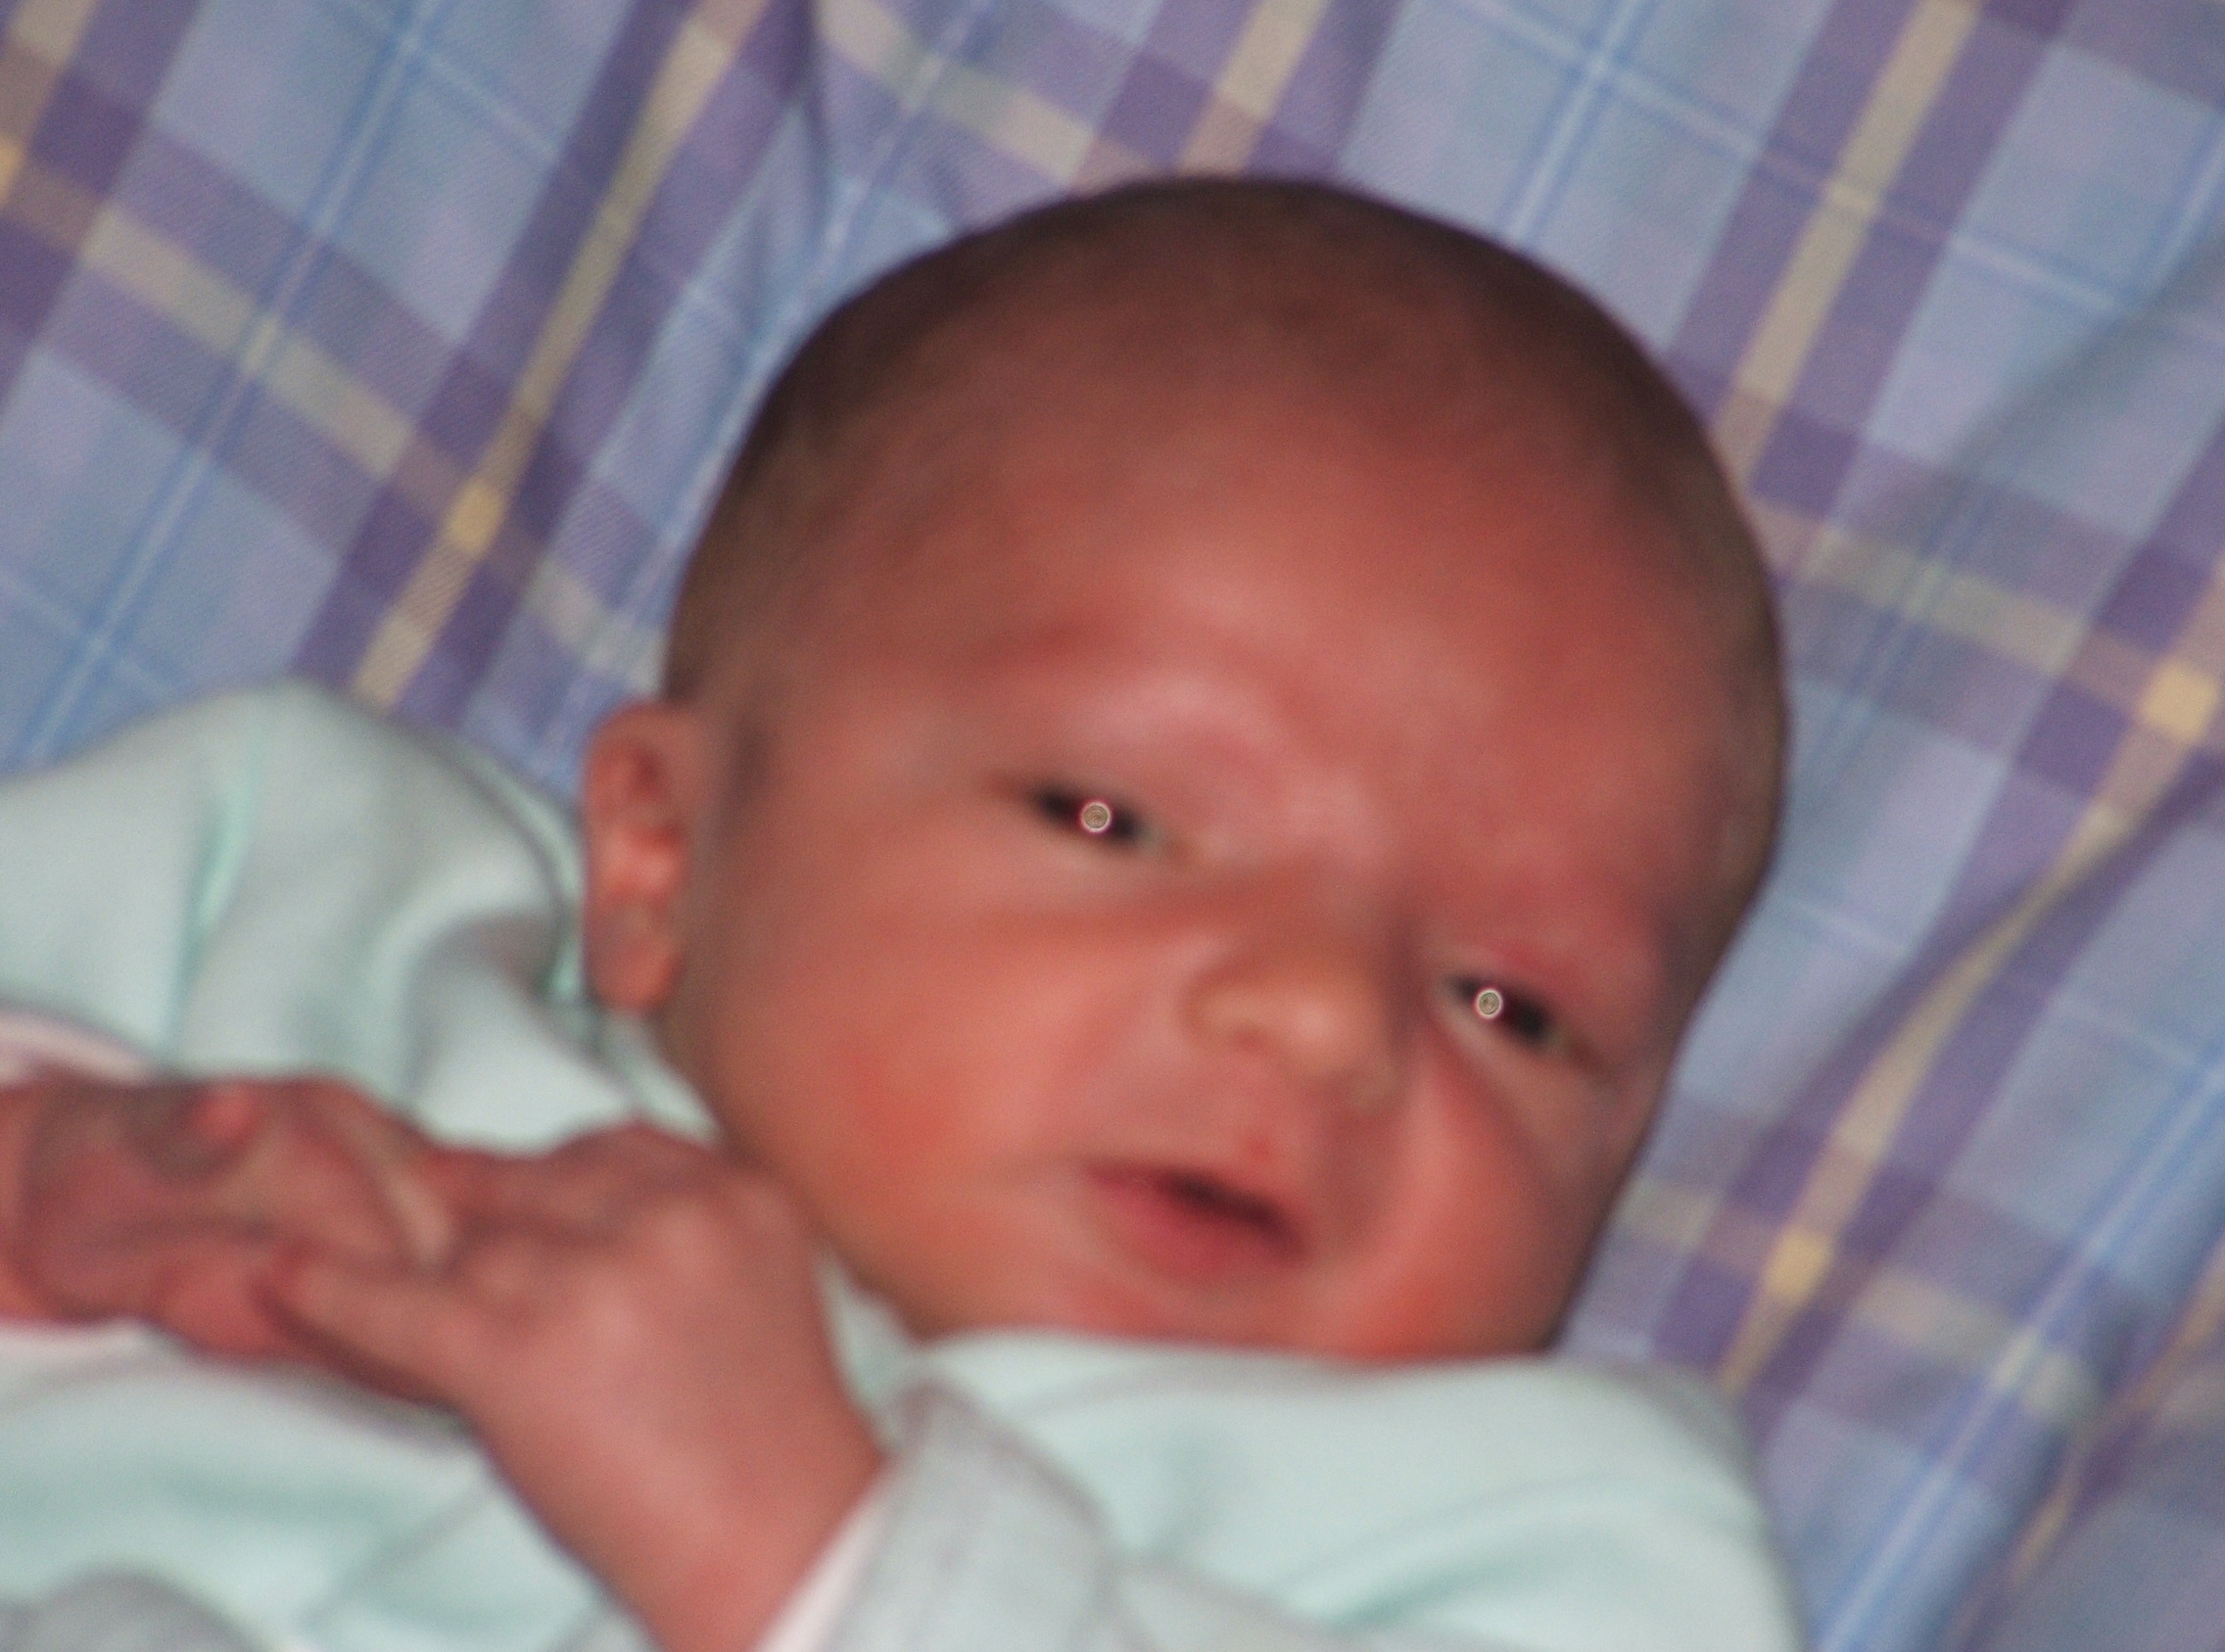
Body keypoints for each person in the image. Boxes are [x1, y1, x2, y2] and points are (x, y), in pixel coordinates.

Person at [0, 180, 1799, 1652]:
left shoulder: (1559, 1547)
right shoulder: (316, 893)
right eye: (1109, 817)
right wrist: (53, 1194)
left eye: (1512, 1007)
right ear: (660, 853)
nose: (1326, 1013)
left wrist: (818, 1556)